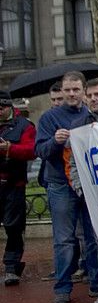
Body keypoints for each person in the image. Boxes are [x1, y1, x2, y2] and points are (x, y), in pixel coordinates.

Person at [35, 71, 98, 303]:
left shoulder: (89, 115)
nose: (71, 94)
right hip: (61, 184)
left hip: (90, 185)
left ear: (82, 91)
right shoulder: (50, 118)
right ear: (61, 91)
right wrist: (54, 142)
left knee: (94, 237)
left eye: (76, 90)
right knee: (64, 239)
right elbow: (39, 151)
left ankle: (96, 282)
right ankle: (62, 288)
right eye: (67, 90)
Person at [0, 90, 35, 286]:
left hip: (14, 184)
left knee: (13, 227)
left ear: (10, 107)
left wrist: (9, 149)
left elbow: (32, 150)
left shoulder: (24, 125)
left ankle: (12, 266)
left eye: (2, 108)